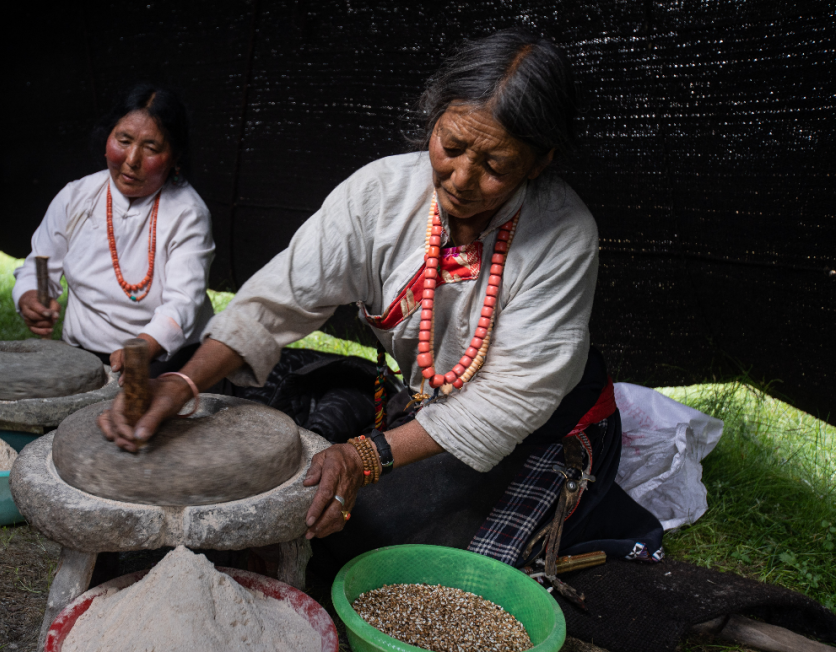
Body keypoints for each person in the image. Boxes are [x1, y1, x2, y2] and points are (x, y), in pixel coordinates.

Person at [99, 30, 663, 585]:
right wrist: (185, 382)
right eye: (452, 146)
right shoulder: (380, 195)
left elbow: (506, 403)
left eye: (495, 166)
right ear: (433, 117)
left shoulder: (564, 234)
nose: (462, 179)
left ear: (540, 163)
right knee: (301, 512)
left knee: (367, 553)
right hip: (433, 405)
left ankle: (591, 507)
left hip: (542, 424)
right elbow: (281, 297)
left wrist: (364, 457)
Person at [12, 84, 214, 375]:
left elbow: (183, 302)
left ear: (175, 156)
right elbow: (40, 262)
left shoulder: (188, 213)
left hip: (167, 362)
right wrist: (30, 296)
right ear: (108, 137)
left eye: (151, 148)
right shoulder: (76, 196)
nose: (132, 160)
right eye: (124, 140)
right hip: (82, 358)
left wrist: (144, 346)